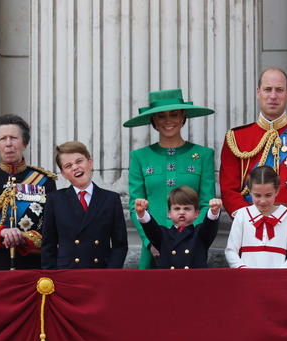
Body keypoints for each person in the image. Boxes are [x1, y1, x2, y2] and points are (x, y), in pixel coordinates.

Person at [220, 67, 287, 267]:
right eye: (268, 89)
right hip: (248, 236)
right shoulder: (236, 138)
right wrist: (250, 222)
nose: (273, 96)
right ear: (258, 93)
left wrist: (285, 221)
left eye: (279, 90)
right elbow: (228, 190)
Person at [123, 89, 216, 269]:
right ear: (154, 121)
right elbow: (136, 206)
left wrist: (193, 237)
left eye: (174, 115)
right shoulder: (139, 157)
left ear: (183, 117)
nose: (168, 121)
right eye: (161, 116)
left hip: (192, 247)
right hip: (153, 247)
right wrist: (150, 242)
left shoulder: (203, 155)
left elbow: (206, 203)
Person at [0, 114, 57, 270]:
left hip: (32, 269)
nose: (8, 144)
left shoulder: (45, 181)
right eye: (3, 139)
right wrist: (1, 232)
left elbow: (53, 231)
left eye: (14, 138)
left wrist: (23, 238)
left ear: (24, 143)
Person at [41, 141, 128, 269]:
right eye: (68, 165)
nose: (75, 167)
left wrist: (111, 274)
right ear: (63, 173)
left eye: (79, 161)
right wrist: (53, 277)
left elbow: (120, 245)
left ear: (90, 162)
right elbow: (48, 246)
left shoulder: (111, 199)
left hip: (101, 272)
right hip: (67, 274)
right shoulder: (55, 200)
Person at [224, 165, 287, 268]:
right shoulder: (242, 215)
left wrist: (281, 273)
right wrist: (242, 269)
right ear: (250, 192)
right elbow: (231, 251)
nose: (263, 201)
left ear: (277, 191)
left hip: (278, 279)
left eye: (268, 195)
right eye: (257, 195)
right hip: (247, 279)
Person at [134, 186, 221, 269]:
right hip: (169, 282)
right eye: (177, 209)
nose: (182, 212)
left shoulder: (200, 234)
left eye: (187, 209)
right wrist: (142, 213)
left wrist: (213, 212)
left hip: (194, 282)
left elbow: (209, 226)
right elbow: (151, 228)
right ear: (169, 213)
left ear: (197, 213)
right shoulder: (163, 234)